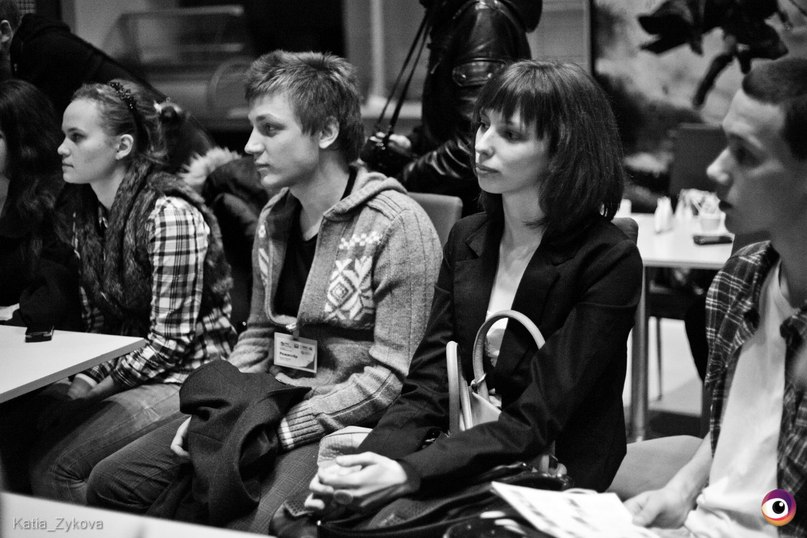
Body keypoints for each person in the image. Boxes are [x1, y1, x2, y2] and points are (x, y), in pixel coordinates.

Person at [85, 51, 442, 531]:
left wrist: (279, 431)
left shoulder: (397, 225)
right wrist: (219, 415)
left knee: (255, 524)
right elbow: (257, 334)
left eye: (270, 129)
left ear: (326, 132)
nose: (251, 145)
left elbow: (391, 377)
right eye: (254, 128)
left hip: (341, 416)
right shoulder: (275, 216)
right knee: (112, 482)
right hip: (263, 401)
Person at [308, 60, 643, 515]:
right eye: (483, 125)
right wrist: (373, 461)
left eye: (510, 134)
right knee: (334, 507)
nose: (481, 145)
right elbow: (428, 383)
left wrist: (409, 473)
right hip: (467, 444)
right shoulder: (468, 236)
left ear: (563, 150)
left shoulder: (608, 260)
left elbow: (537, 417)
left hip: (556, 468)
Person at [0, 78, 236, 503]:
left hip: (191, 375)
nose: (61, 149)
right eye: (63, 136)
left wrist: (96, 389)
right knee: (24, 428)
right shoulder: (86, 213)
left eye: (76, 137)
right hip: (138, 368)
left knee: (56, 466)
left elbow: (169, 344)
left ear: (122, 146)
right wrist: (87, 377)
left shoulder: (169, 213)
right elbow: (101, 323)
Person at [625, 57, 807, 537]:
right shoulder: (738, 281)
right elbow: (740, 432)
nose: (715, 168)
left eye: (744, 154)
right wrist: (681, 490)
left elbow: (786, 508)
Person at [0, 0, 214, 173]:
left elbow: (39, 152)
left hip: (171, 145)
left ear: (4, 32)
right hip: (152, 146)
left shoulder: (41, 52)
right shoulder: (30, 50)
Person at [384, 0, 541, 216]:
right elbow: (454, 122)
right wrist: (413, 142)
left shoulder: (483, 17)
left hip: (472, 208)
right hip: (467, 203)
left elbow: (472, 145)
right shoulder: (465, 14)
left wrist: (399, 180)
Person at [0, 79, 80, 331]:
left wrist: (16, 312)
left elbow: (51, 301)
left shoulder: (59, 196)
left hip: (48, 341)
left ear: (23, 142)